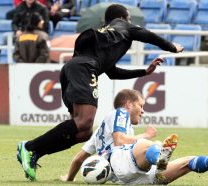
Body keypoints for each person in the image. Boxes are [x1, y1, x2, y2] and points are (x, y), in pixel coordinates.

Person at [16, 3, 183, 181]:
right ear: (123, 17)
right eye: (128, 18)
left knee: (83, 131)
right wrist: (171, 47)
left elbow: (113, 72)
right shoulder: (123, 25)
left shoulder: (107, 38)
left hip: (74, 68)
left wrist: (143, 72)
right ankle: (29, 147)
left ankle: (34, 153)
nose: (130, 22)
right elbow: (147, 35)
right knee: (84, 121)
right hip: (84, 68)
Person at [60, 89, 208, 184]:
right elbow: (120, 141)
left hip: (131, 179)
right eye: (141, 106)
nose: (143, 111)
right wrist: (144, 134)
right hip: (119, 161)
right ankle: (159, 157)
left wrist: (68, 179)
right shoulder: (120, 113)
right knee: (148, 144)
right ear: (128, 104)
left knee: (187, 163)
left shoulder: (99, 134)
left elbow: (79, 158)